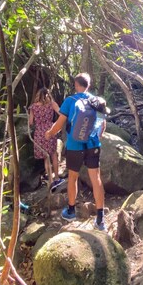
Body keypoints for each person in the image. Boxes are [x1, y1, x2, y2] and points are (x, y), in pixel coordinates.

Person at [45, 72, 108, 230]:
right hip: (93, 145)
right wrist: (95, 137)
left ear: (76, 85)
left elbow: (59, 125)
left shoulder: (70, 101)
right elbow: (103, 125)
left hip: (74, 146)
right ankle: (100, 219)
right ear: (88, 85)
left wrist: (49, 134)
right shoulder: (96, 101)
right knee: (96, 179)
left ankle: (71, 211)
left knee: (73, 177)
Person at [29, 87, 66, 192]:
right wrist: (56, 124)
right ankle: (57, 178)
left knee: (46, 156)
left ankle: (50, 181)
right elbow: (62, 114)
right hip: (50, 130)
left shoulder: (33, 107)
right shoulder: (52, 104)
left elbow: (31, 122)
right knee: (53, 154)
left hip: (39, 133)